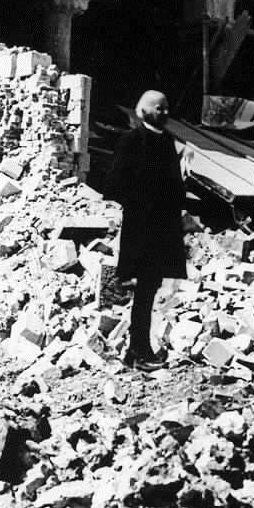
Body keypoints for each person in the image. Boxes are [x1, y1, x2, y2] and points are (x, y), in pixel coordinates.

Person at [104, 89, 188, 369]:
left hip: (163, 228)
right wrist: (142, 203)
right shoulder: (132, 140)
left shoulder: (167, 142)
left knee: (151, 288)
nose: (164, 113)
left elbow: (174, 185)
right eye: (159, 108)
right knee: (142, 289)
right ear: (144, 110)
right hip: (142, 228)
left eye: (166, 108)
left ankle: (138, 350)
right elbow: (115, 183)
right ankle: (139, 351)